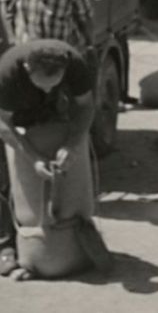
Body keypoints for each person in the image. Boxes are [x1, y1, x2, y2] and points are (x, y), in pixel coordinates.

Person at [0, 39, 102, 281]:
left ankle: (75, 240)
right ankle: (5, 245)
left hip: (51, 110)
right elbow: (3, 124)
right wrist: (32, 157)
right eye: (42, 85)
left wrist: (72, 144)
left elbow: (86, 107)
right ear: (27, 69)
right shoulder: (7, 74)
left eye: (53, 84)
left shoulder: (74, 64)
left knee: (64, 172)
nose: (47, 88)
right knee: (3, 180)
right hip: (9, 114)